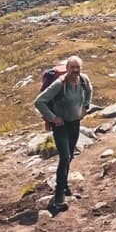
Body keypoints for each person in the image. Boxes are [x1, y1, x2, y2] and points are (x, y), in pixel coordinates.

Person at [33, 55, 93, 213]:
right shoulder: (59, 84)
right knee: (65, 157)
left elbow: (89, 91)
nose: (75, 70)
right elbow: (39, 102)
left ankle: (64, 184)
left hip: (74, 123)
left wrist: (86, 106)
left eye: (77, 67)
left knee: (70, 156)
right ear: (67, 69)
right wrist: (53, 118)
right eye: (72, 67)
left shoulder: (84, 80)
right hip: (61, 126)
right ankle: (59, 198)